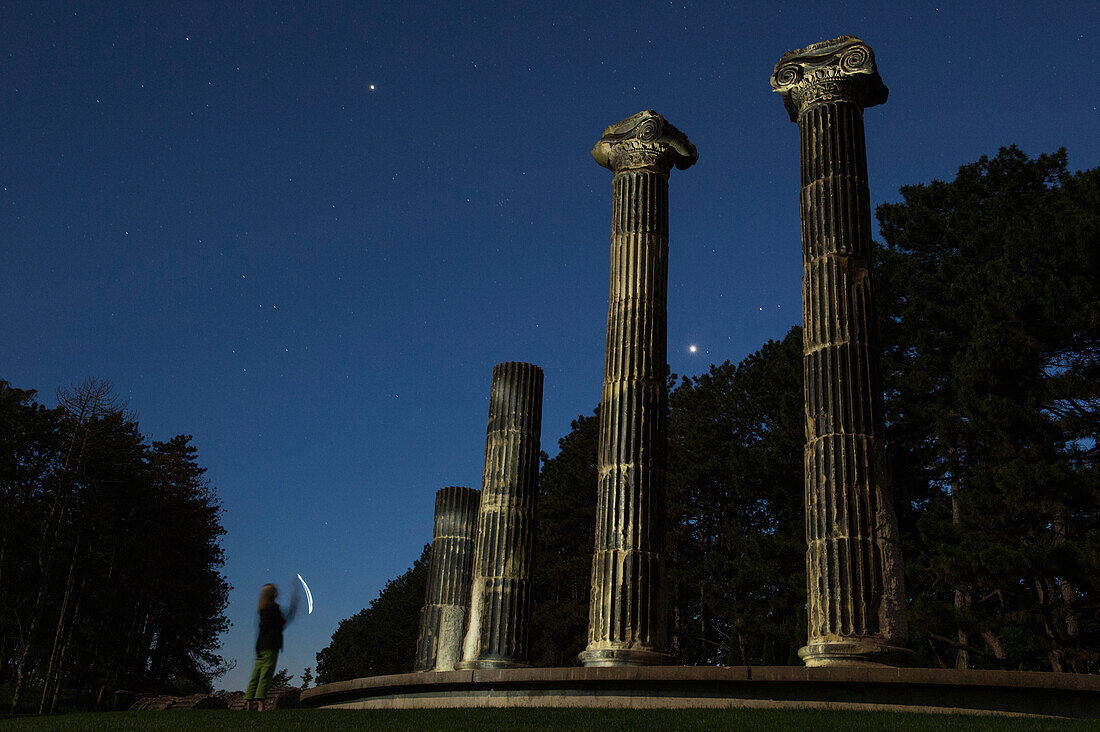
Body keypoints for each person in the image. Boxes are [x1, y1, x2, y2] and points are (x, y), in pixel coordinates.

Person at [243, 583, 297, 711]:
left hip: (261, 645)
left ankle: (249, 702)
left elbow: (264, 628)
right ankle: (261, 704)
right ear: (273, 594)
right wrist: (292, 610)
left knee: (256, 674)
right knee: (265, 675)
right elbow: (281, 623)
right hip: (271, 645)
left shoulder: (262, 609)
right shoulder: (274, 608)